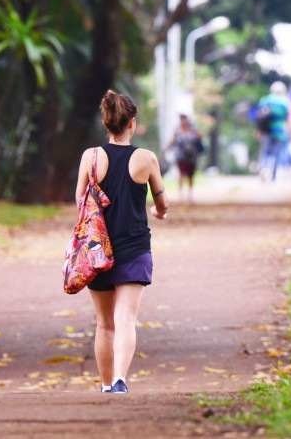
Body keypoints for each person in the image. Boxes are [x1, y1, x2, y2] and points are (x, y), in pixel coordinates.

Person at [74, 89, 168, 395]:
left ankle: (104, 385)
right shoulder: (146, 158)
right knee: (126, 316)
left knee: (104, 323)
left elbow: (80, 202)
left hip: (97, 250)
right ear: (133, 124)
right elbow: (161, 200)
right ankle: (119, 380)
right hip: (134, 248)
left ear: (106, 122)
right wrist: (159, 211)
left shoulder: (90, 157)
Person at [256, 81, 291, 181]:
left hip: (266, 130)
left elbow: (259, 117)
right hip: (280, 131)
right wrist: (290, 131)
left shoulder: (265, 100)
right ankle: (273, 175)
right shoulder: (285, 102)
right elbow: (288, 119)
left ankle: (264, 169)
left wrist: (259, 131)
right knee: (277, 153)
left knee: (265, 152)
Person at [168, 113, 205, 203]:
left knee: (190, 176)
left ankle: (190, 194)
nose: (183, 122)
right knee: (181, 174)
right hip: (181, 156)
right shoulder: (177, 131)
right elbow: (172, 141)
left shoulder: (193, 130)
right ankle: (181, 194)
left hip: (192, 156)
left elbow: (200, 137)